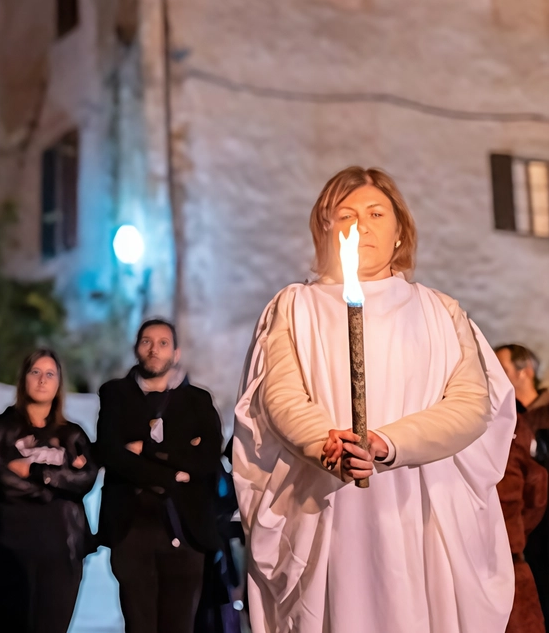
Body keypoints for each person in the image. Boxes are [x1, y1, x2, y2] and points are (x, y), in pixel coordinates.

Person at [233, 166, 516, 632]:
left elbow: (469, 403)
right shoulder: (294, 307)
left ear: (399, 230)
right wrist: (332, 447)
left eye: (375, 212)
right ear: (325, 229)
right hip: (330, 502)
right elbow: (281, 396)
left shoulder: (439, 311)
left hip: (422, 505)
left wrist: (386, 444)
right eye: (344, 214)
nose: (360, 224)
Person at [96, 319, 224, 633]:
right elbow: (111, 454)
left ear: (176, 353)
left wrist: (148, 451)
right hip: (132, 527)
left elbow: (208, 457)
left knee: (180, 624)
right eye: (147, 341)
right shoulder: (114, 394)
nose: (154, 349)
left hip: (185, 526)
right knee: (139, 625)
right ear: (136, 348)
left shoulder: (197, 400)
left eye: (163, 343)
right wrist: (175, 470)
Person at [0, 349, 98, 633]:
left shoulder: (73, 435)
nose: (42, 380)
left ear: (59, 382)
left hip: (60, 554)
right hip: (6, 550)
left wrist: (38, 473)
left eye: (50, 374)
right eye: (35, 372)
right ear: (23, 379)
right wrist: (59, 482)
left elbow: (85, 479)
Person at [501, 345, 549, 623]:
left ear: (525, 372)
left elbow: (538, 484)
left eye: (504, 370)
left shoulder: (542, 417)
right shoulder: (507, 418)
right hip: (527, 540)